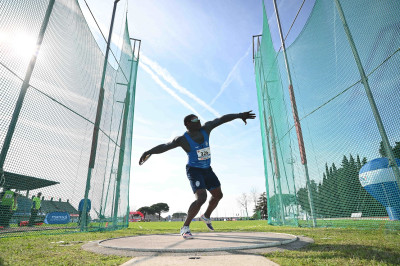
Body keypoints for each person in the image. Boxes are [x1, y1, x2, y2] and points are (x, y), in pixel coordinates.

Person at [139, 111, 256, 239]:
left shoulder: (206, 128)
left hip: (207, 169)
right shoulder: (182, 139)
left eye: (199, 119)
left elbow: (222, 119)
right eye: (195, 121)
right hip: (194, 170)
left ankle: (206, 216)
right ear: (187, 124)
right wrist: (148, 151)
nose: (199, 122)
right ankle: (185, 227)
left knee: (218, 195)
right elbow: (165, 146)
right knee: (201, 198)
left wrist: (239, 115)